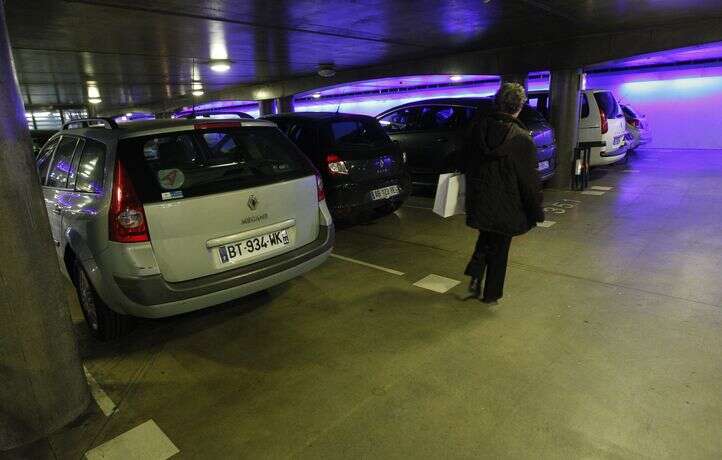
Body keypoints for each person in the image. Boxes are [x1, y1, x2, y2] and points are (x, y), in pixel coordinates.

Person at [461, 82, 545, 304]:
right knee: (500, 249)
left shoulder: (479, 129)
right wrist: (537, 210)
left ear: (497, 103)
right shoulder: (521, 138)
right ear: (519, 106)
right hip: (507, 205)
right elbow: (530, 180)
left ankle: (476, 272)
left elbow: (466, 160)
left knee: (486, 234)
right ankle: (491, 294)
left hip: (481, 199)